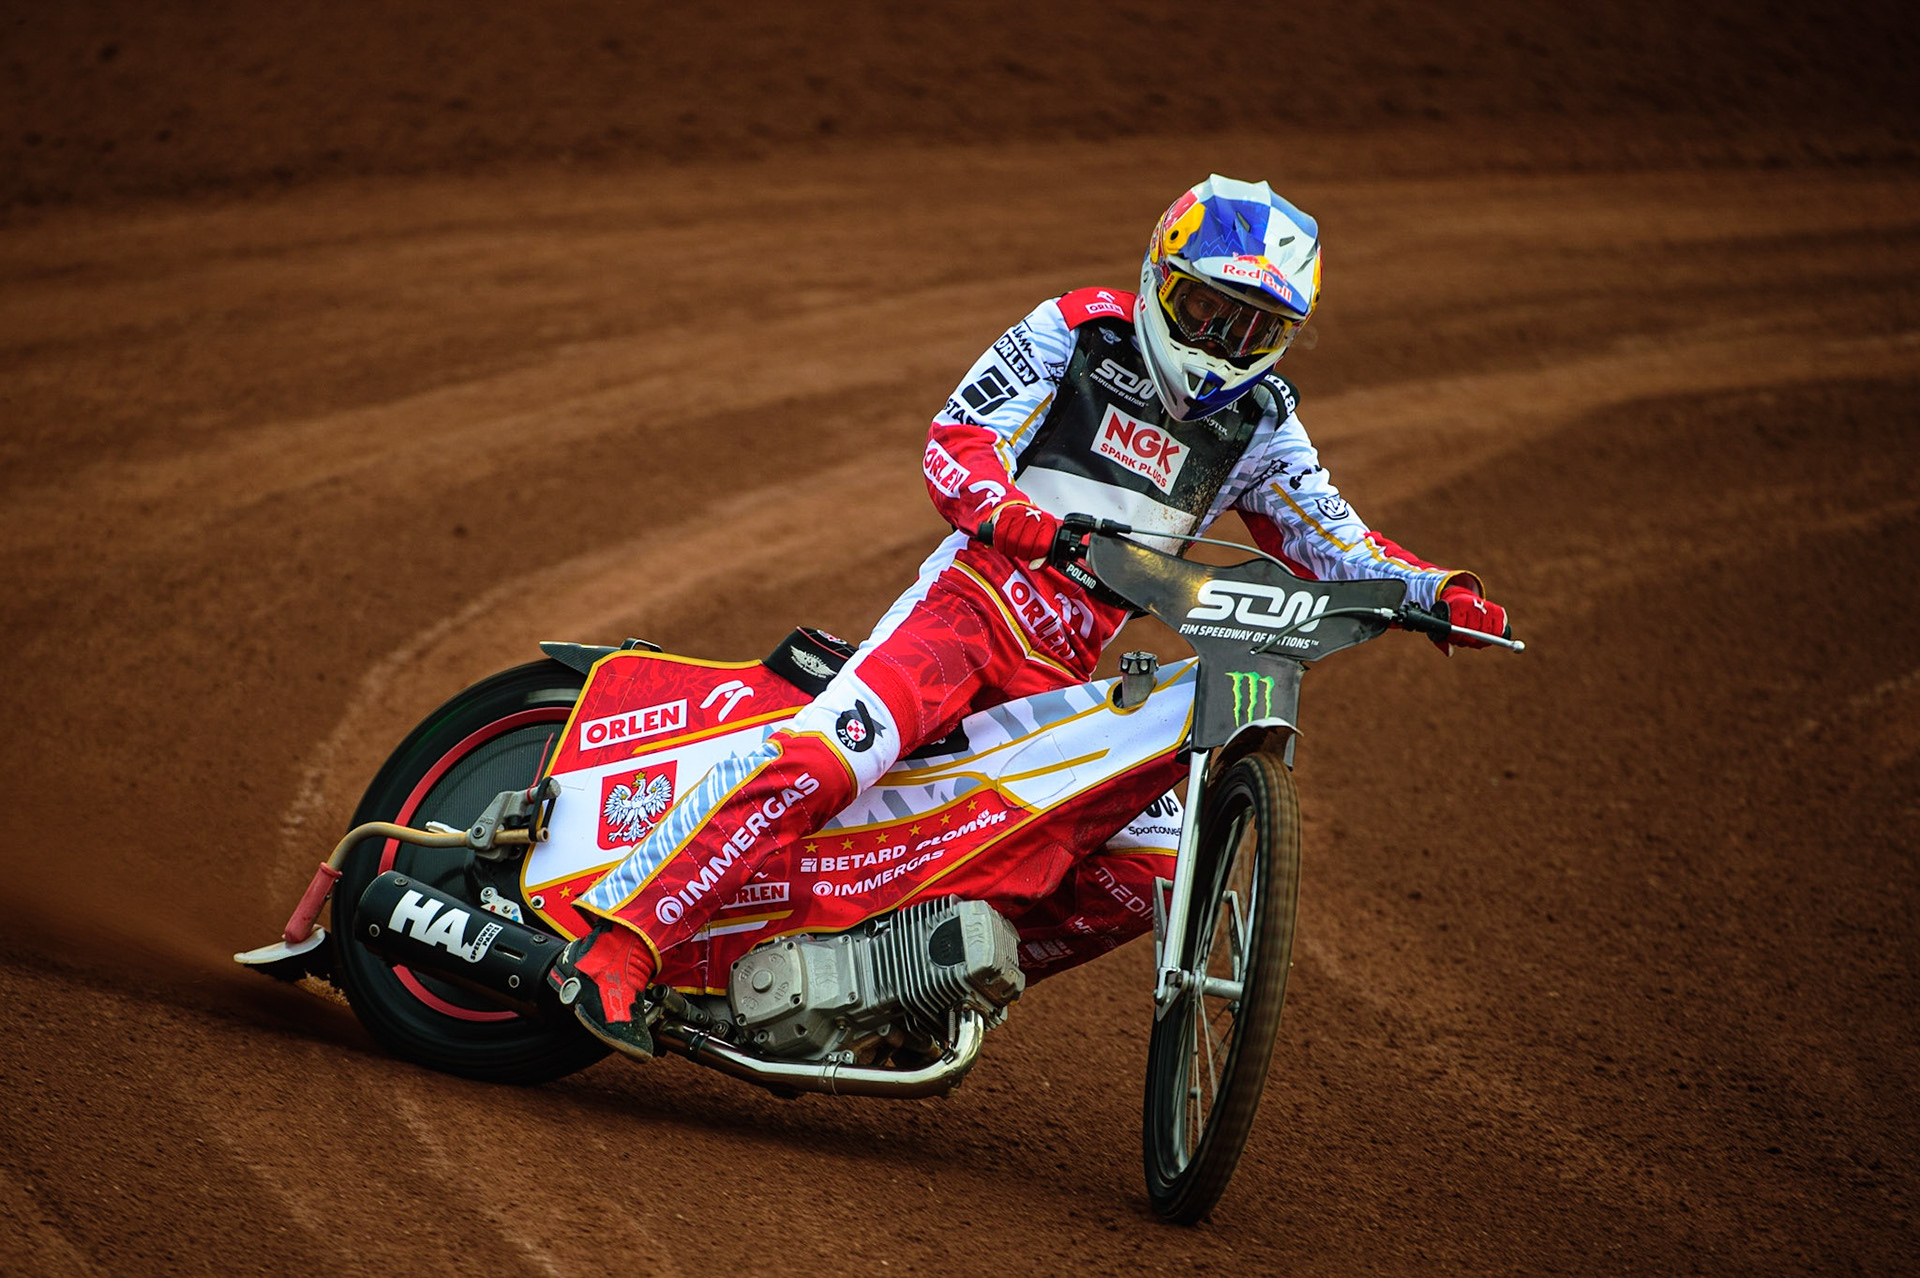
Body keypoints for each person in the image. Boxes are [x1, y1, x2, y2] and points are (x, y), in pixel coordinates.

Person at [550, 174, 1510, 1056]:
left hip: (1068, 672)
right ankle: (618, 950)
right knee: (823, 762)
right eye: (1206, 309)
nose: (1220, 342)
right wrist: (1018, 516)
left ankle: (912, 989)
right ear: (1159, 279)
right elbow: (954, 442)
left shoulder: (1262, 424)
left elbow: (1335, 540)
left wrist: (1433, 592)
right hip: (966, 614)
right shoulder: (1079, 329)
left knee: (1150, 862)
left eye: (1250, 328)